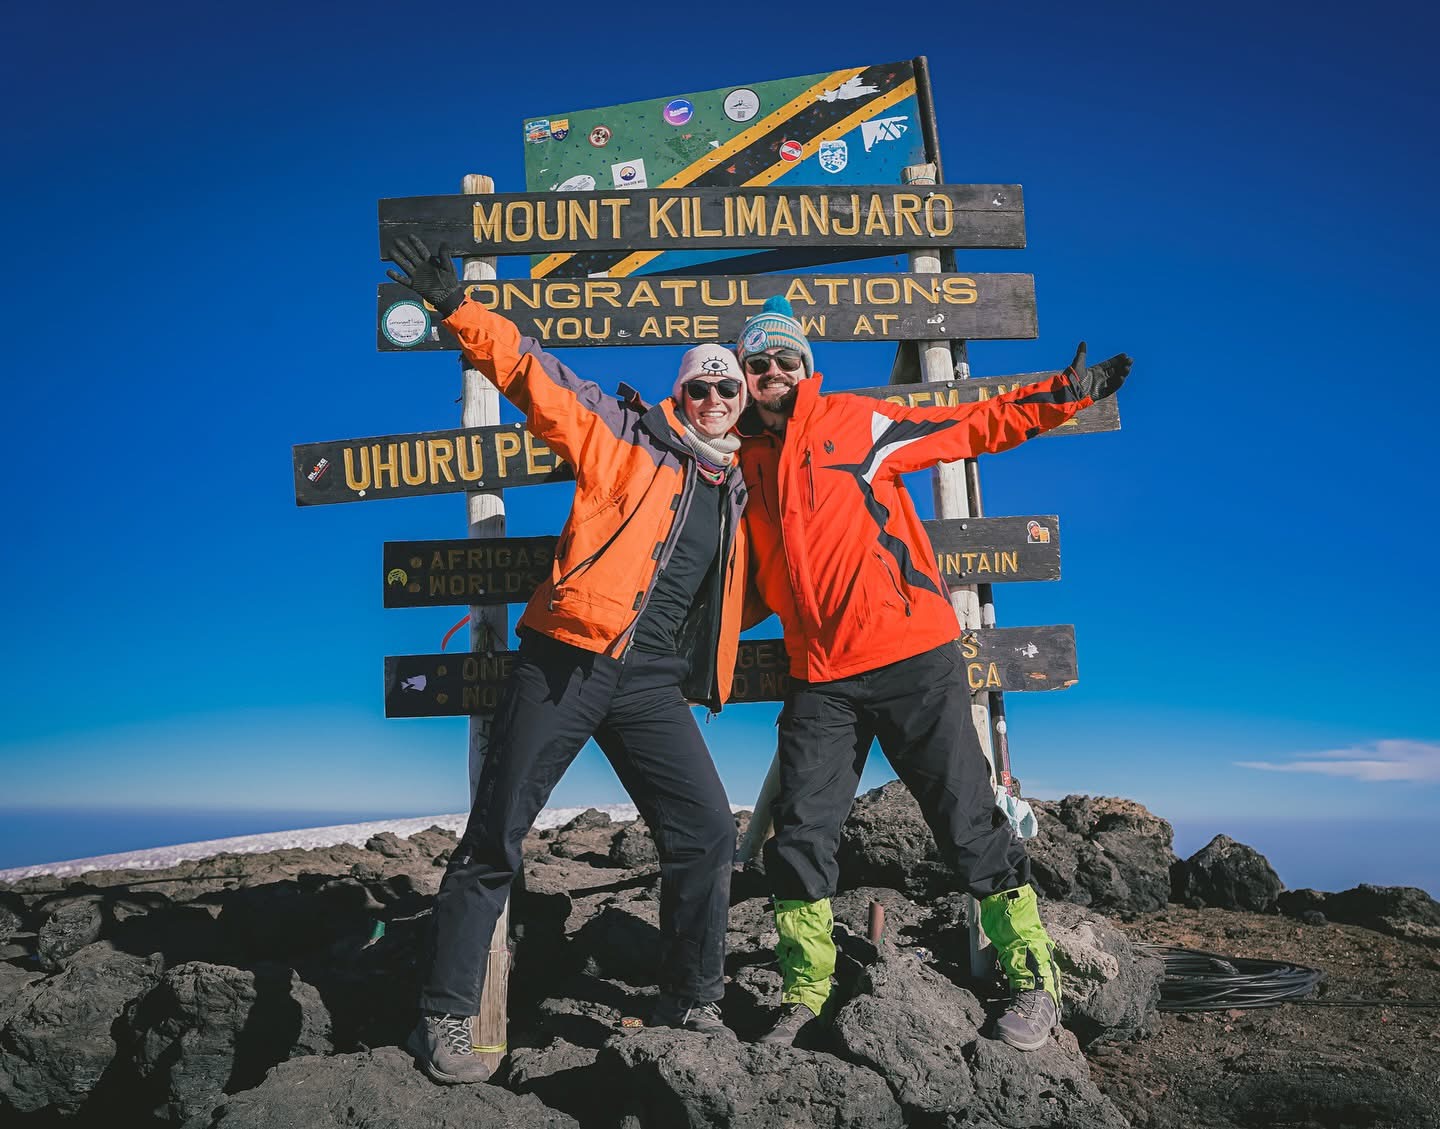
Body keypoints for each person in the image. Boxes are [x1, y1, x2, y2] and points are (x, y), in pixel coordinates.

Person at [385, 236, 752, 1083]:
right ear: (680, 393)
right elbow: (533, 374)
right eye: (699, 385)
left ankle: (690, 997)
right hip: (568, 660)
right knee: (497, 835)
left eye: (726, 386)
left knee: (704, 830)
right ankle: (441, 1016)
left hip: (653, 683)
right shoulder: (623, 438)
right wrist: (456, 307)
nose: (712, 397)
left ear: (740, 398)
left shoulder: (735, 489)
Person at [733, 296, 1132, 1052]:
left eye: (786, 359)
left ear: (805, 368)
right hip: (819, 677)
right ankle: (805, 993)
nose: (773, 372)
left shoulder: (854, 421)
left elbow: (967, 426)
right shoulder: (744, 460)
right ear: (746, 374)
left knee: (967, 820)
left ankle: (1031, 980)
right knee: (801, 836)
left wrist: (1056, 397)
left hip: (911, 655)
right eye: (759, 363)